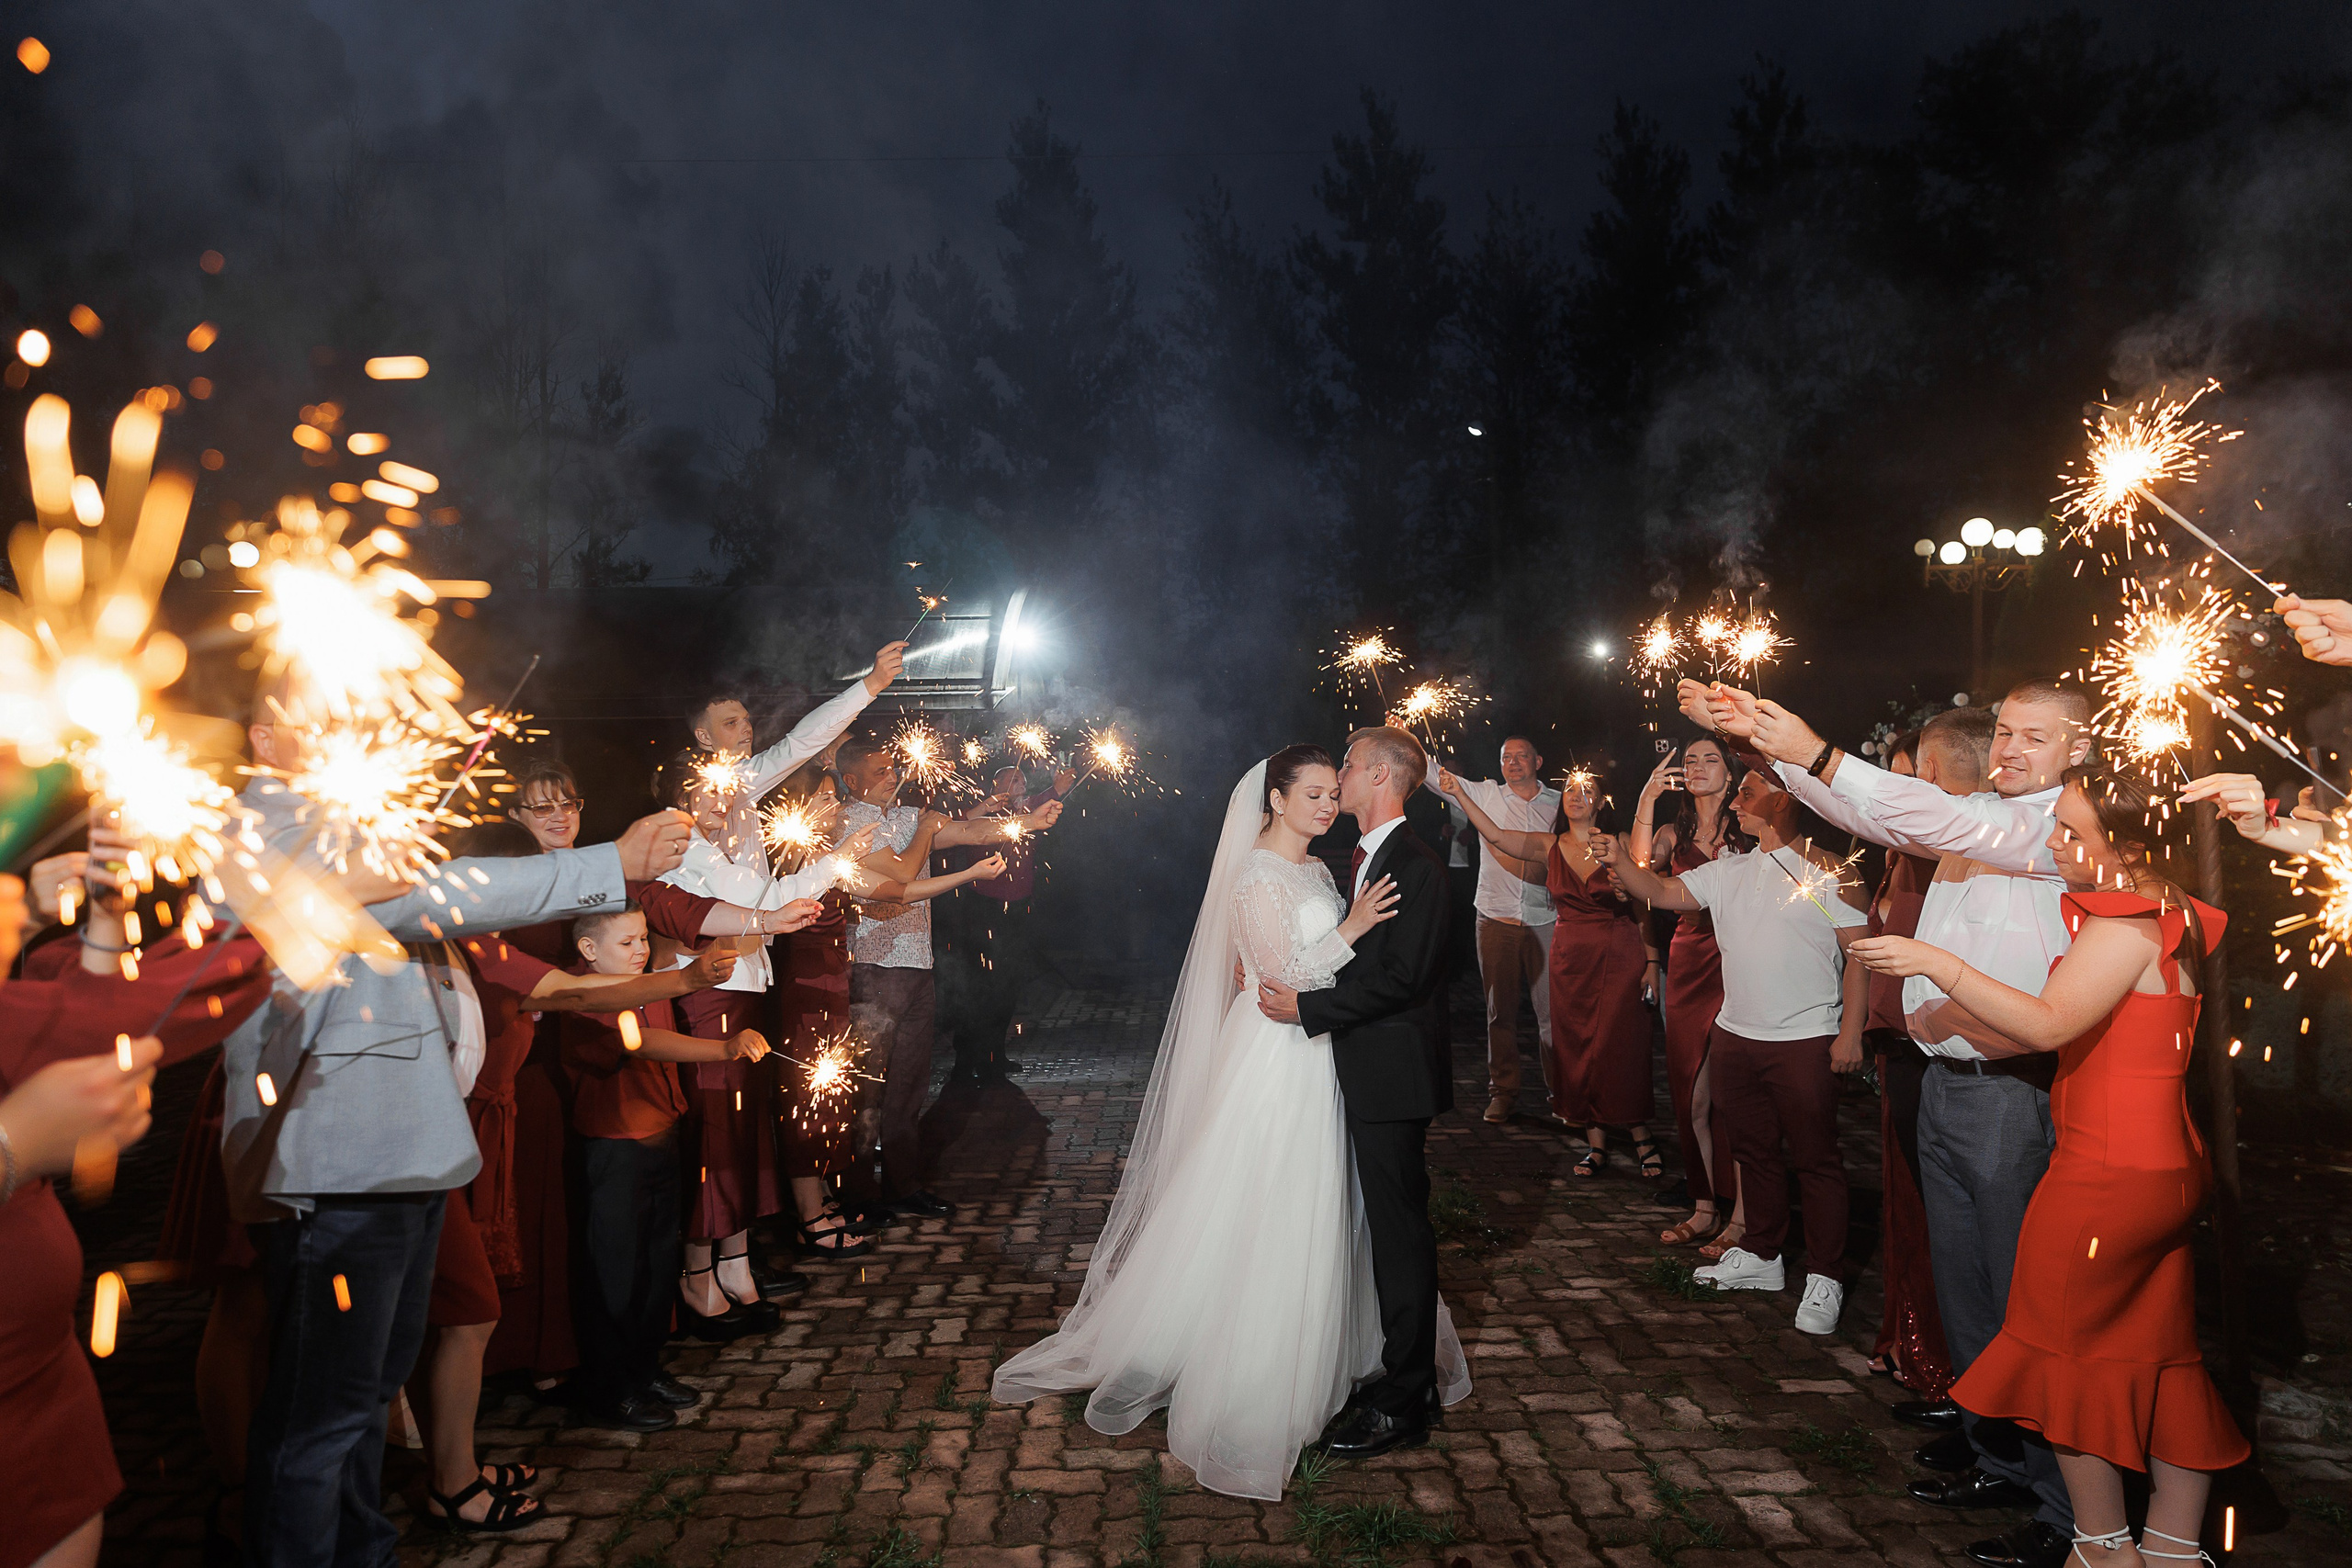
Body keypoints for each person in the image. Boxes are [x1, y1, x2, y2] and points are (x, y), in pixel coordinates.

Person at [223, 695, 695, 1568]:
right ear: (264, 737)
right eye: (319, 708)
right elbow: (430, 897)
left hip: (399, 1156)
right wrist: (609, 862)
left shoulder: (351, 826)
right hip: (336, 1164)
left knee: (365, 1394)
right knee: (322, 1414)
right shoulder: (263, 830)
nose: (348, 721)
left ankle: (362, 1546)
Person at [993, 744, 1468, 1496]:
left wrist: (1318, 958)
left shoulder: (1333, 869)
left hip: (1328, 1053)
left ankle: (1352, 1363)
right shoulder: (1256, 873)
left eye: (1334, 785)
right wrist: (1338, 938)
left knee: (1326, 1205)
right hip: (1280, 1057)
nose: (1328, 800)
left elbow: (1354, 973)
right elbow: (1282, 977)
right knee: (1262, 1196)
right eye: (1313, 791)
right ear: (1274, 798)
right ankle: (1248, 1362)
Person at [1694, 675, 2092, 1568]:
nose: (2010, 749)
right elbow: (1872, 814)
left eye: (2031, 736)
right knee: (1965, 1284)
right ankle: (1994, 1452)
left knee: (2020, 1297)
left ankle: (2062, 1505)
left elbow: (1912, 809)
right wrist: (1775, 753)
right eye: (2004, 733)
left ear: (2078, 750)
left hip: (2007, 1089)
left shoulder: (2047, 829)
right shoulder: (1976, 821)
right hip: (1946, 1079)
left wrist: (1813, 751)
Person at [1849, 766, 2248, 1568]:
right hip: (2167, 1169)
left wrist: (1937, 962)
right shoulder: (2174, 906)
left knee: (2060, 1355)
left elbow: (2046, 1023)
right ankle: (2173, 1546)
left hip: (2106, 1177)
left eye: (2072, 830)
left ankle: (2099, 1548)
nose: (2054, 842)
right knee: (2164, 1354)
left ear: (2128, 847)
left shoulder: (2123, 925)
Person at [410, 821, 748, 1529]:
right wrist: (687, 984)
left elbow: (582, 992)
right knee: (504, 1297)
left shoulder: (486, 948)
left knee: (490, 1305)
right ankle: (587, 1393)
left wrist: (685, 973)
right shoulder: (431, 943)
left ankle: (459, 1465)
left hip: (480, 1130)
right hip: (443, 1137)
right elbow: (592, 1006)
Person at [0, 842, 278, 1568]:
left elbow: (74, 1014)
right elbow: (112, 1017)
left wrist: (101, 920)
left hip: (40, 1377)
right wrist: (12, 1144)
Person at [1596, 769, 1868, 1337]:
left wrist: (1851, 1032)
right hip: (1736, 1037)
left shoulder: (1830, 871)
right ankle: (1764, 1255)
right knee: (1753, 1151)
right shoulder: (1730, 869)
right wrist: (1619, 858)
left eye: (1748, 793)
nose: (1736, 802)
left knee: (1816, 1160)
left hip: (1806, 1038)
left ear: (1785, 801)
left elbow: (1861, 958)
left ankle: (1826, 1275)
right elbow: (1661, 893)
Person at [1257, 727, 1464, 1460]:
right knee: (1381, 1228)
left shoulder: (1418, 865)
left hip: (1392, 1077)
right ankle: (1395, 1373)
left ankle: (1404, 1401)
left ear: (1378, 774)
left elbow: (1404, 979)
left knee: (1401, 1232)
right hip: (1363, 1070)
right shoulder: (1365, 855)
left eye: (1345, 765)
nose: (1336, 776)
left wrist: (1308, 1008)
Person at [650, 750, 870, 1330]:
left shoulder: (714, 846)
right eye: (708, 792)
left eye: (726, 793)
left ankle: (735, 1264)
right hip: (707, 1005)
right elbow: (765, 902)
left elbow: (765, 903)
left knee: (739, 1138)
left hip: (739, 1001)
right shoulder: (684, 850)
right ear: (678, 799)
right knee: (715, 1141)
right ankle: (699, 1278)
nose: (722, 803)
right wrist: (839, 858)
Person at [559, 903, 774, 1433]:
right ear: (589, 949)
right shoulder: (585, 991)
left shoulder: (646, 982)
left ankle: (644, 1369)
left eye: (642, 940)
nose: (640, 951)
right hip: (615, 1146)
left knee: (655, 1265)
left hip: (659, 1135)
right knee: (615, 1272)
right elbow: (642, 1043)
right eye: (626, 943)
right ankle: (611, 1389)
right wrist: (722, 1047)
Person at [832, 733, 1060, 1218]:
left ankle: (903, 1184)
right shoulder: (849, 822)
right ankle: (856, 1193)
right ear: (851, 780)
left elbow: (968, 832)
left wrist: (1027, 822)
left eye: (893, 768)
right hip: (875, 968)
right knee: (868, 1087)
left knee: (909, 1084)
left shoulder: (905, 816)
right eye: (880, 771)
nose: (893, 776)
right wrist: (925, 830)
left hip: (917, 965)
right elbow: (901, 875)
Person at [1439, 766, 1658, 1178]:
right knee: (1575, 1045)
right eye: (1570, 790)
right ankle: (1595, 1141)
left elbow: (1643, 903)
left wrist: (1652, 961)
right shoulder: (1548, 845)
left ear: (1601, 802)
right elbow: (1497, 836)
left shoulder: (1621, 842)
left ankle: (1640, 1132)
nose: (1576, 796)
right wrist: (1461, 796)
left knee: (1621, 1044)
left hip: (1619, 953)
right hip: (1570, 960)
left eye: (1586, 791)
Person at [1629, 738, 1749, 1247]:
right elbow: (1637, 870)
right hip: (1689, 960)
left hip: (1742, 958)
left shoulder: (1749, 827)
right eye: (1690, 761)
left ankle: (1743, 1214)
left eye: (1710, 759)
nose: (1698, 767)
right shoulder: (1670, 833)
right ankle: (1703, 1205)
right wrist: (1646, 799)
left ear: (1731, 772)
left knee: (1737, 1094)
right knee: (1691, 1092)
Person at [1426, 737, 1559, 1123]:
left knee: (1552, 1015)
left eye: (1521, 756)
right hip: (1496, 917)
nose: (1513, 763)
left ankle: (1562, 1093)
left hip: (1547, 918)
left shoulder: (1559, 802)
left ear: (1538, 760)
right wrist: (1406, 738)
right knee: (1500, 1012)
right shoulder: (1486, 794)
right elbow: (1436, 777)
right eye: (1506, 757)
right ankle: (1503, 1091)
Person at [946, 761, 1078, 1080]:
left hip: (1017, 910)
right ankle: (965, 1061)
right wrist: (987, 806)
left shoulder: (1027, 811)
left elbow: (1046, 799)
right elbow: (958, 827)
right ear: (996, 786)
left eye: (1023, 780)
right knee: (979, 984)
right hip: (983, 908)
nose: (1022, 784)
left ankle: (994, 1055)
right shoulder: (981, 815)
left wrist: (1060, 785)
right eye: (1014, 779)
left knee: (1007, 983)